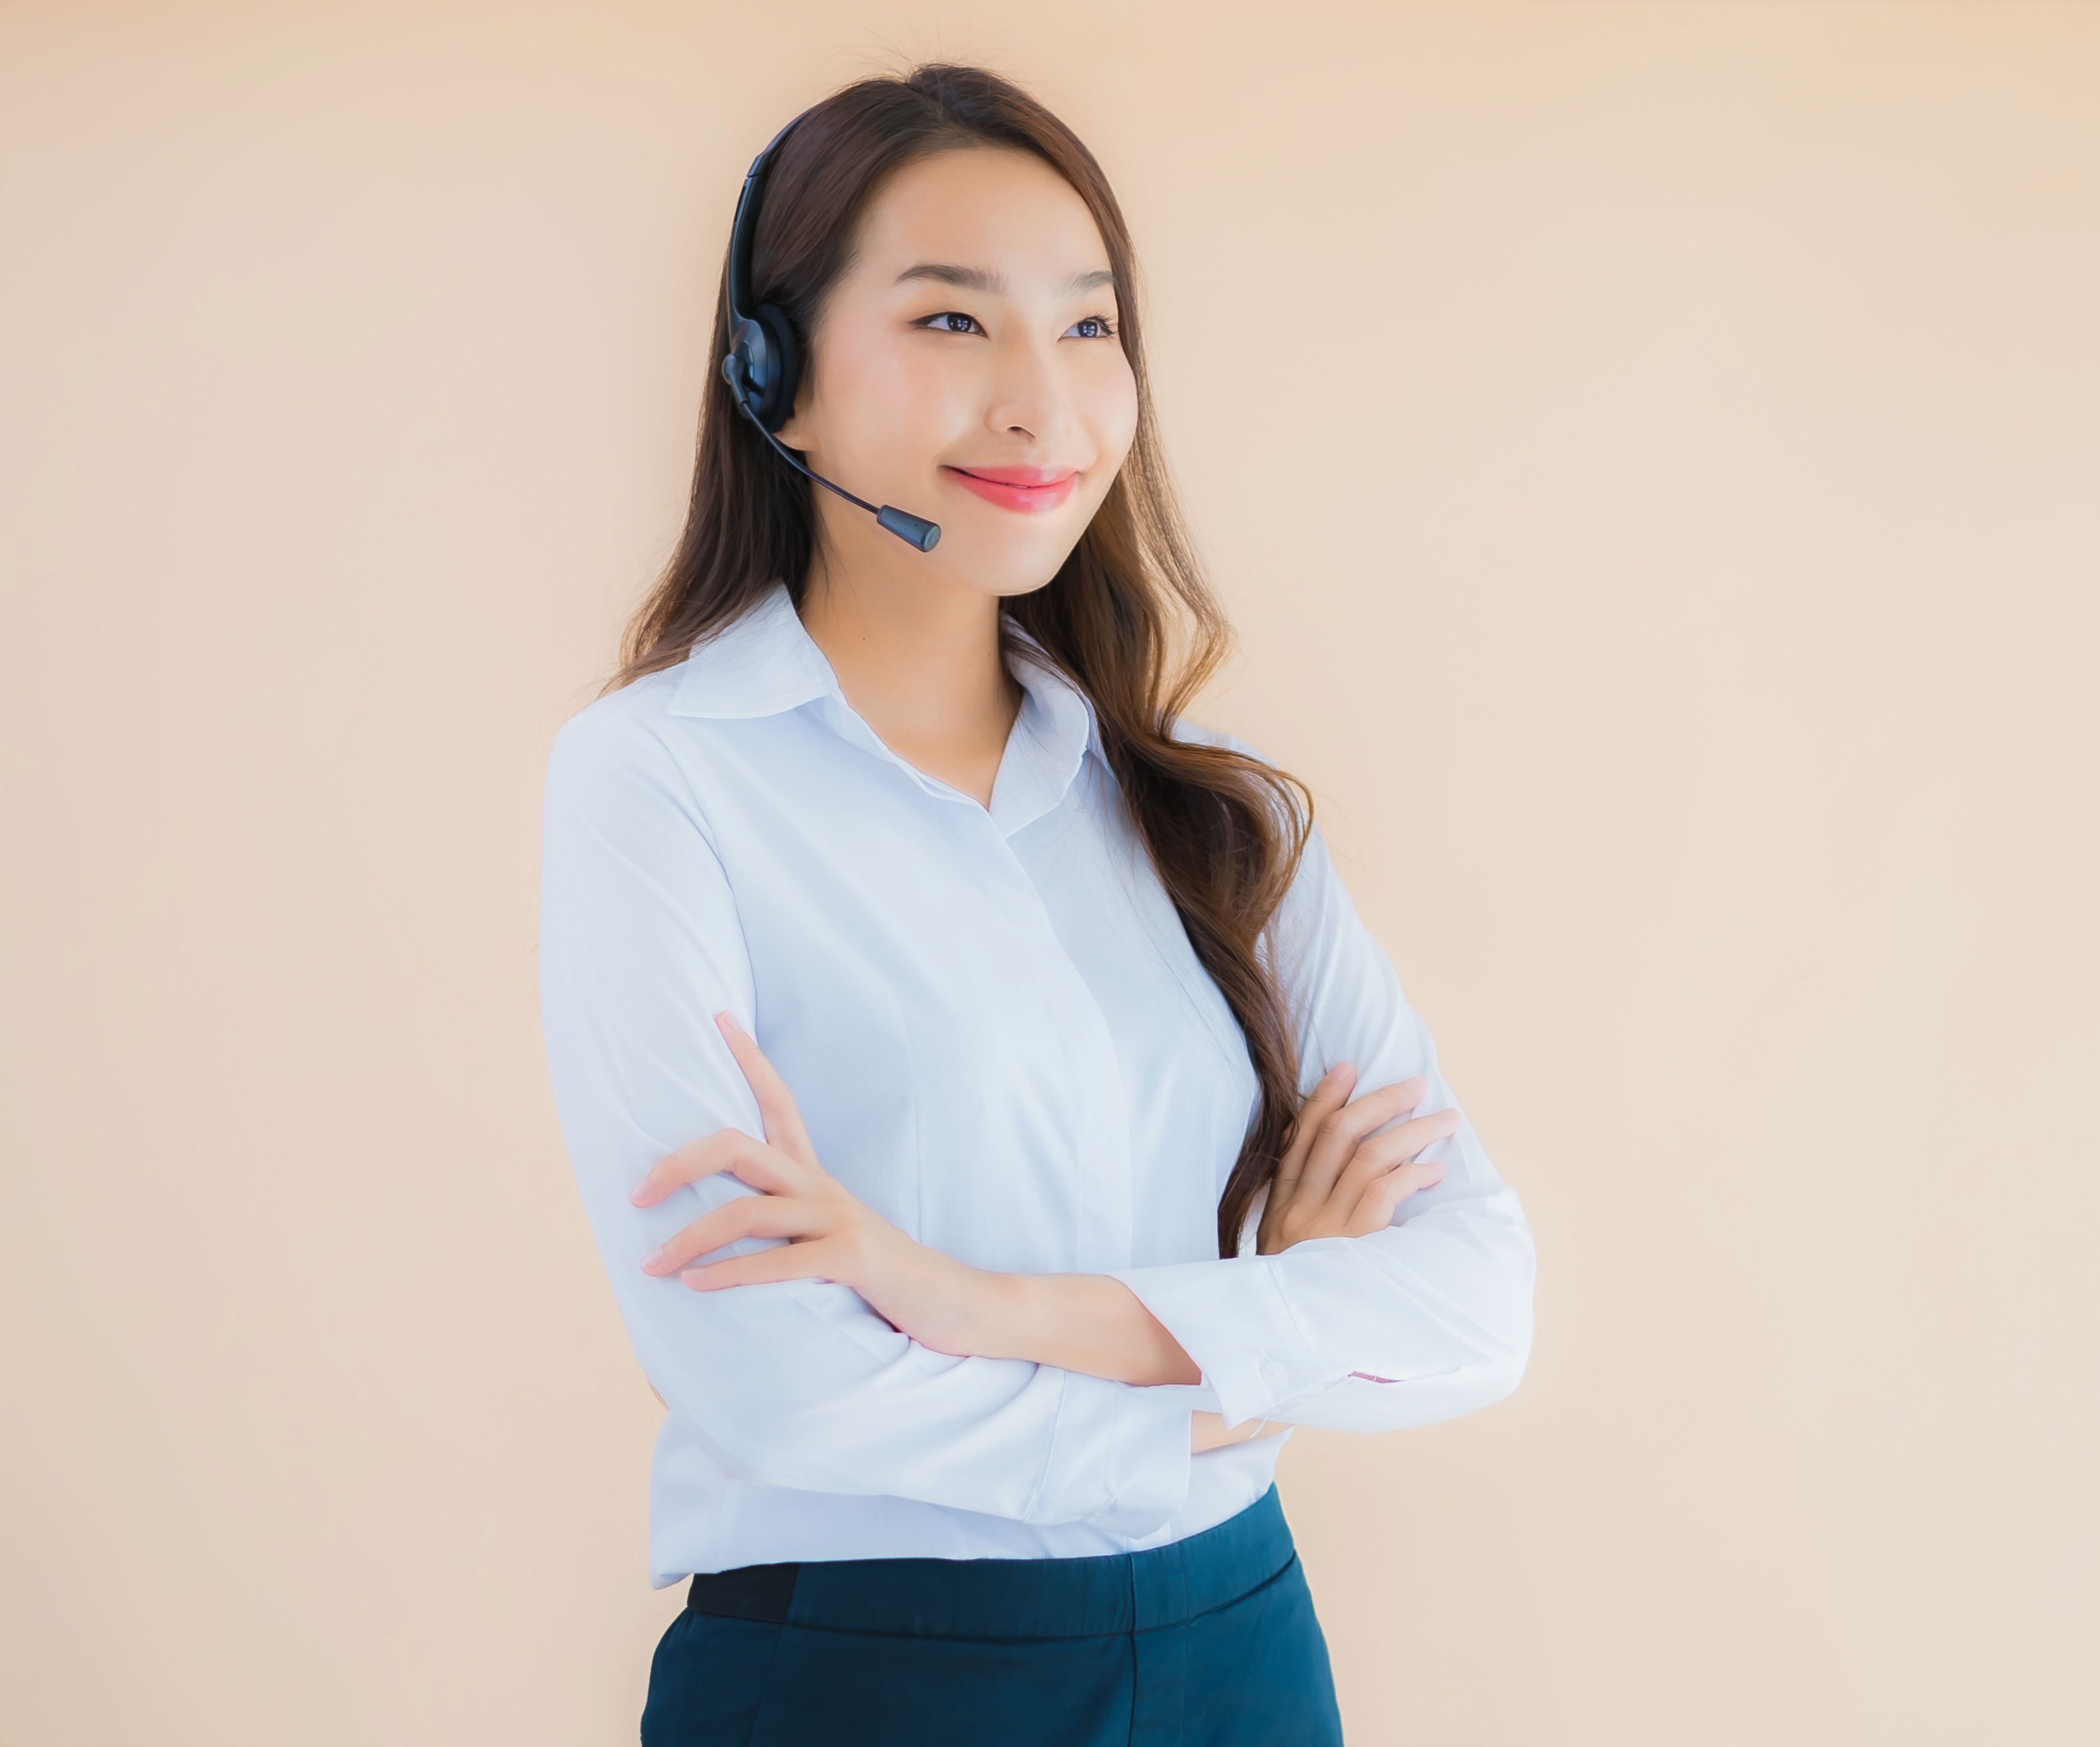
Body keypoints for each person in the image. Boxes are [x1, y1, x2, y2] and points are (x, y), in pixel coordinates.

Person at [537, 64, 1536, 1746]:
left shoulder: (1209, 801)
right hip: (868, 1677)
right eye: (951, 323)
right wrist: (1246, 1365)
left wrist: (975, 1304)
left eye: (1087, 329)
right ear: (772, 379)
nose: (1042, 406)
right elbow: (774, 1394)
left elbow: (1480, 1305)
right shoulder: (661, 781)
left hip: (1243, 1652)